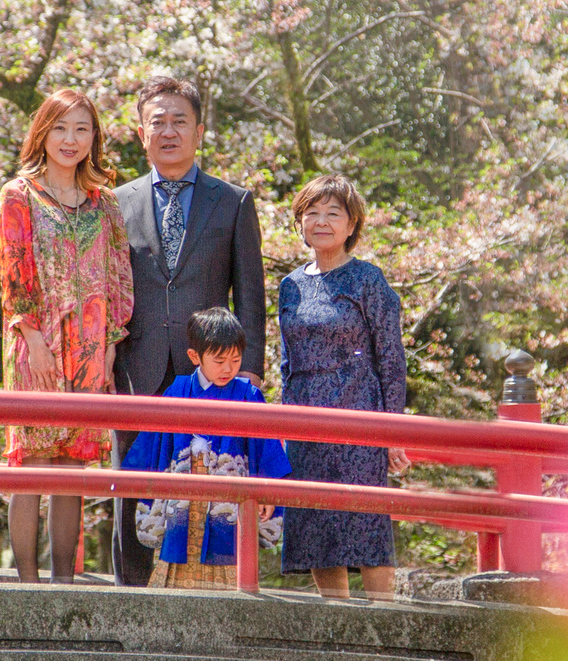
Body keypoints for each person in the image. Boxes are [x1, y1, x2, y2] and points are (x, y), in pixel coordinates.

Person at [112, 75, 269, 585]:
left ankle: (213, 597)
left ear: (199, 132)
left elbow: (249, 293)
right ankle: (131, 596)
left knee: (217, 483)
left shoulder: (233, 202)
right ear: (141, 134)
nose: (169, 131)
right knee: (135, 482)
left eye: (180, 121)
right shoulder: (115, 204)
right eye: (158, 121)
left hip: (212, 371)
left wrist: (247, 369)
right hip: (138, 367)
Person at [0, 88, 132, 581]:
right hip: (36, 341)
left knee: (73, 465)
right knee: (33, 461)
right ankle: (28, 584)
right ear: (42, 133)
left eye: (81, 129)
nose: (70, 139)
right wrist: (31, 338)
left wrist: (111, 345)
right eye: (60, 128)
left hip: (92, 348)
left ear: (94, 137)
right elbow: (14, 271)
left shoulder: (105, 203)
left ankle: (64, 584)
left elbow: (118, 275)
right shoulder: (18, 195)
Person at [277, 172, 406, 598]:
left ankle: (382, 623)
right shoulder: (291, 285)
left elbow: (391, 359)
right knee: (316, 526)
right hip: (304, 416)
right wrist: (278, 430)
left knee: (366, 522)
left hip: (359, 412)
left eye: (334, 213)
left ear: (352, 225)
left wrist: (393, 430)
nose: (322, 221)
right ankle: (336, 620)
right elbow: (285, 362)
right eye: (312, 212)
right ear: (299, 223)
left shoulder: (368, 280)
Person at [121, 308, 292, 586]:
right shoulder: (177, 391)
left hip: (230, 507)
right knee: (177, 569)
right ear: (194, 356)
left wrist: (269, 491)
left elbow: (268, 451)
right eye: (219, 360)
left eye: (236, 360)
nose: (228, 368)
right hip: (181, 505)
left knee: (232, 572)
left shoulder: (248, 395)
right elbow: (152, 448)